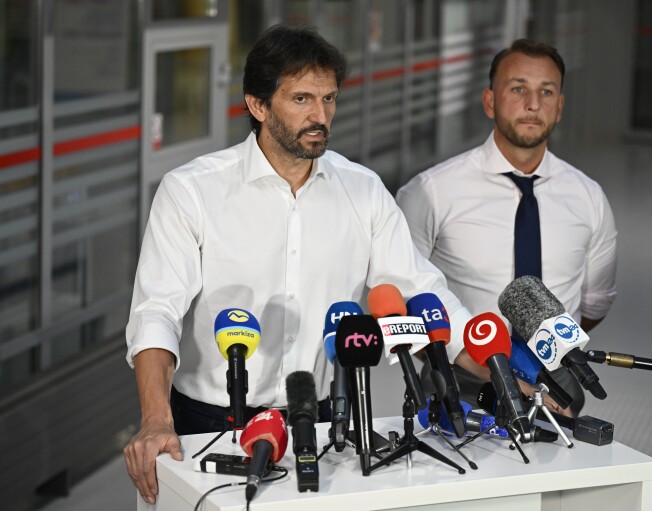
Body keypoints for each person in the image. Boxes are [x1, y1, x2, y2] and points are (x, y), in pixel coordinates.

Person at [122, 25, 480, 505]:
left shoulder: (364, 191)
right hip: (213, 420)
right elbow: (156, 313)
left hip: (325, 419)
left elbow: (420, 292)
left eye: (329, 99)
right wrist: (155, 419)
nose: (320, 116)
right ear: (258, 105)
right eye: (302, 99)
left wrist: (502, 370)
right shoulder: (191, 191)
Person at [397, 39, 617, 417]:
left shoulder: (589, 198)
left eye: (546, 92)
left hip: (559, 393)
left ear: (560, 107)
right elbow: (404, 300)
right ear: (489, 101)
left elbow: (594, 301)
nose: (533, 104)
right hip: (464, 391)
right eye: (518, 89)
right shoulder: (430, 192)